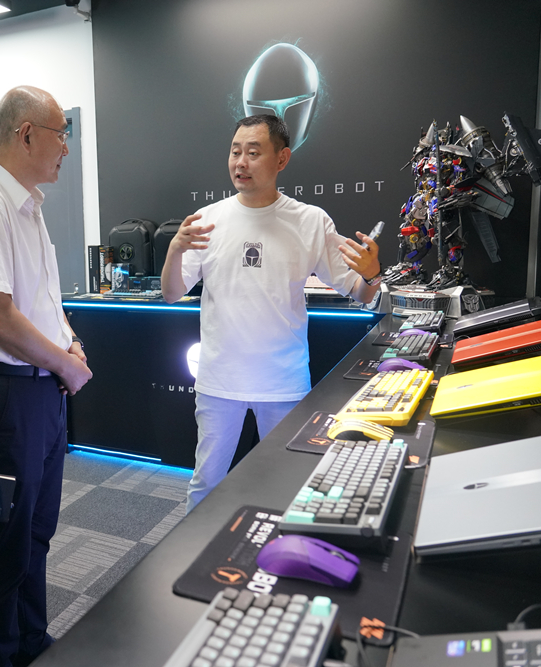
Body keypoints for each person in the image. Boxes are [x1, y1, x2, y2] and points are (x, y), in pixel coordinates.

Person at [161, 114, 383, 513]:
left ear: (282, 159)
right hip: (219, 379)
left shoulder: (310, 221)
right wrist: (175, 251)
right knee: (206, 483)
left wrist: (372, 274)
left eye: (253, 152)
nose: (240, 162)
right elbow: (172, 293)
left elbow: (360, 291)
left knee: (287, 484)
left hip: (283, 381)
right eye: (235, 152)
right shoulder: (208, 220)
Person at [0, 86, 93, 667]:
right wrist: (64, 363)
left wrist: (69, 342)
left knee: (37, 532)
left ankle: (31, 644)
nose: (66, 148)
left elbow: (43, 302)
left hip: (39, 391)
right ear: (26, 134)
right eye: (62, 134)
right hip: (5, 395)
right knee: (6, 543)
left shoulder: (28, 207)